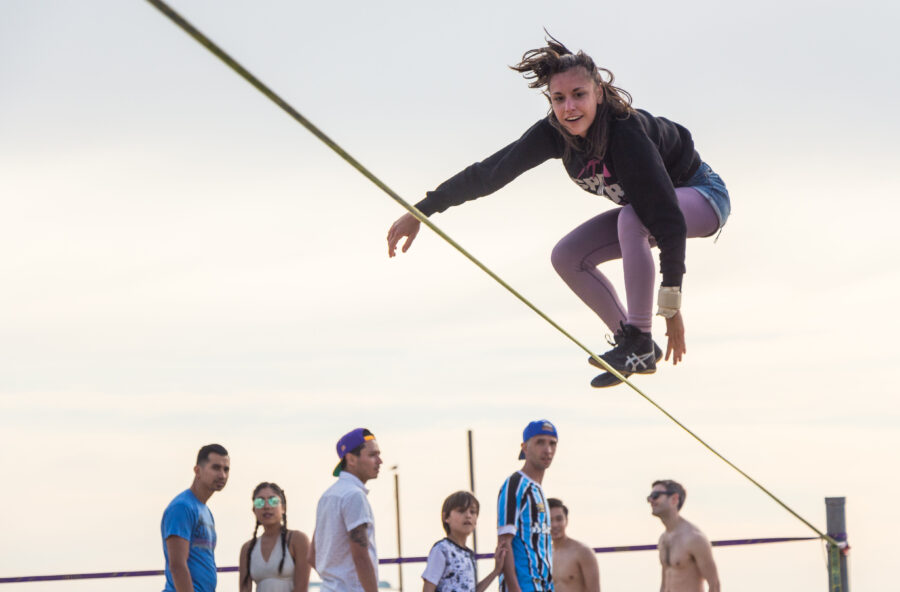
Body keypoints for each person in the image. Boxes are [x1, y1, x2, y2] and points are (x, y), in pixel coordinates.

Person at [386, 35, 731, 388]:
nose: (569, 109)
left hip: (703, 195)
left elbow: (668, 221)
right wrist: (421, 211)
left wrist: (670, 305)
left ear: (598, 93)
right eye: (559, 99)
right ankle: (631, 342)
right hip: (649, 211)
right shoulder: (554, 134)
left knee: (633, 217)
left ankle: (639, 338)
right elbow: (490, 173)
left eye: (579, 95)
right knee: (567, 256)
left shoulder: (627, 135)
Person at [310, 428, 382, 592]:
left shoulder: (327, 496)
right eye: (372, 455)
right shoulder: (354, 496)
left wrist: (334, 579)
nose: (380, 461)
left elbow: (311, 555)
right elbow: (360, 556)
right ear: (351, 459)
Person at [497, 420, 558, 592]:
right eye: (540, 442)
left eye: (552, 443)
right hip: (523, 585)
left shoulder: (538, 490)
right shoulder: (515, 484)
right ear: (525, 447)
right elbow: (504, 543)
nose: (547, 449)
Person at [161, 443, 230, 592]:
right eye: (216, 468)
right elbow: (177, 565)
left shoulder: (205, 511)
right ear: (197, 471)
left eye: (226, 469)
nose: (222, 475)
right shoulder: (182, 507)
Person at [422, 491, 506, 592]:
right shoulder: (442, 549)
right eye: (461, 511)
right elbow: (428, 588)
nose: (468, 516)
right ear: (446, 517)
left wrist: (496, 570)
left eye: (472, 512)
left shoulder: (469, 555)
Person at [648, 480, 720, 592]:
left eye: (655, 495)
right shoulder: (663, 539)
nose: (651, 500)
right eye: (649, 497)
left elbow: (714, 585)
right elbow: (665, 584)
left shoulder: (694, 538)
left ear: (674, 499)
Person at [239, 481, 312, 592]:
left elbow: (301, 588)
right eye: (259, 502)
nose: (267, 506)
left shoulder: (298, 540)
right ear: (254, 510)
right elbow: (244, 589)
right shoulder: (248, 548)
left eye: (273, 501)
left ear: (283, 508)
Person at [547, 499, 600, 592]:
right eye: (549, 520)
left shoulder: (583, 552)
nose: (554, 525)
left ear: (566, 521)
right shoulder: (544, 555)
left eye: (559, 519)